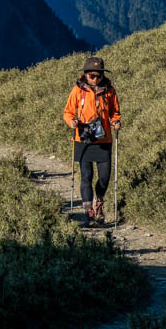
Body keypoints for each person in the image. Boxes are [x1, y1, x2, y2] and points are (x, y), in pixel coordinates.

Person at [63, 57, 121, 226]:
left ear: (103, 75)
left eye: (98, 76)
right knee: (86, 175)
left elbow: (114, 111)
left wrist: (115, 121)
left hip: (104, 139)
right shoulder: (77, 90)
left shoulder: (109, 91)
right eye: (92, 76)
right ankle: (89, 211)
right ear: (85, 74)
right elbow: (68, 112)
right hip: (83, 138)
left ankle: (99, 202)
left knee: (104, 177)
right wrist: (71, 122)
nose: (95, 79)